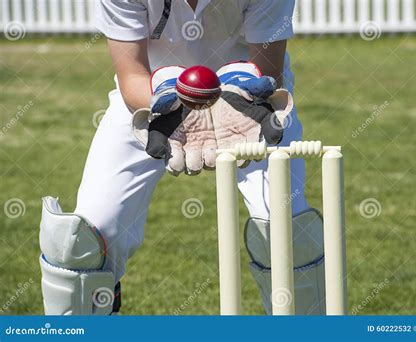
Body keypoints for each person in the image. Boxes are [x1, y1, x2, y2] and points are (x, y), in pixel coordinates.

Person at [38, 0, 325, 315]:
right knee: (78, 245)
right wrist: (167, 103)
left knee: (287, 237)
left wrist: (233, 101)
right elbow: (131, 73)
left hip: (249, 102)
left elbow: (267, 72)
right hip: (153, 97)